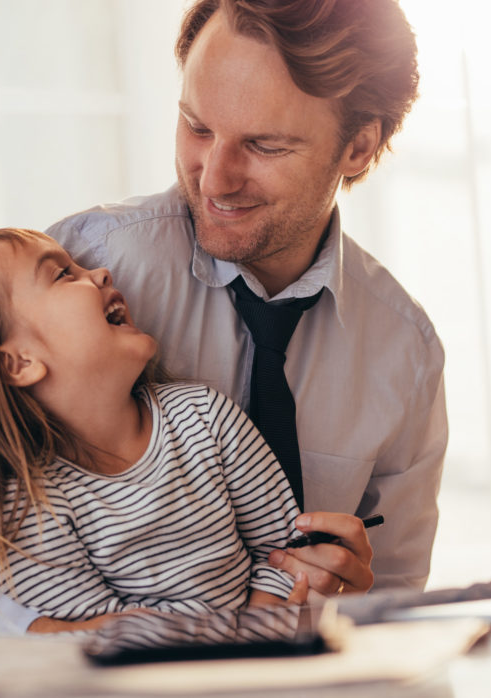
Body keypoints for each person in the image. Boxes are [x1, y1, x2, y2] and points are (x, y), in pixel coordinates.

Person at [51, 0, 446, 592]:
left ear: (358, 148)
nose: (214, 178)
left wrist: (348, 600)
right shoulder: (86, 269)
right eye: (197, 126)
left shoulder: (403, 353)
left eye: (264, 146)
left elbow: (394, 603)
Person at [0, 227, 313, 632]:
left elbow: (284, 550)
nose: (102, 273)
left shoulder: (205, 417)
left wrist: (254, 644)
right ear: (19, 362)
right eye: (64, 274)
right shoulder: (26, 508)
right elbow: (102, 638)